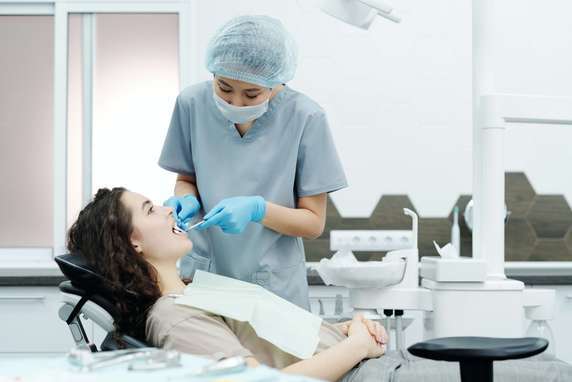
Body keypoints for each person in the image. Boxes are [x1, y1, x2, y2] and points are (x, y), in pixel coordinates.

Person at [67, 188, 386, 382]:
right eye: (151, 210)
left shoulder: (190, 293)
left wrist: (343, 330)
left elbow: (275, 346)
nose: (168, 209)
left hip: (369, 363)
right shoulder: (174, 317)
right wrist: (356, 346)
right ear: (132, 242)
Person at [159, 15, 347, 310]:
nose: (235, 103)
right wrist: (186, 200)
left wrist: (258, 210)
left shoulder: (305, 117)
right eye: (223, 88)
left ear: (276, 81)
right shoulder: (191, 104)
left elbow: (313, 224)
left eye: (251, 94)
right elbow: (187, 179)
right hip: (203, 278)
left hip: (272, 289)